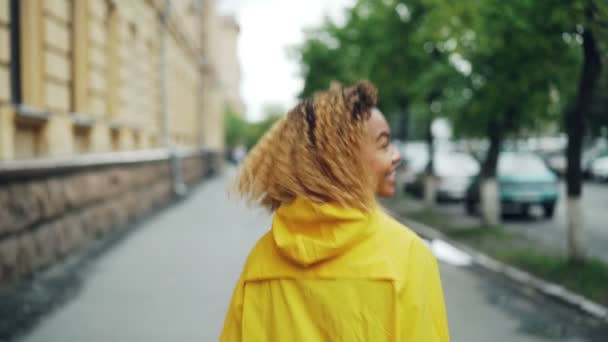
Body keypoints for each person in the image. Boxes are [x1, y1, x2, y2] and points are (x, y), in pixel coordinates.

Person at [221, 81, 449, 341]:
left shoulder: (261, 263)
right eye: (384, 145)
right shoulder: (407, 255)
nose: (396, 155)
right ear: (342, 159)